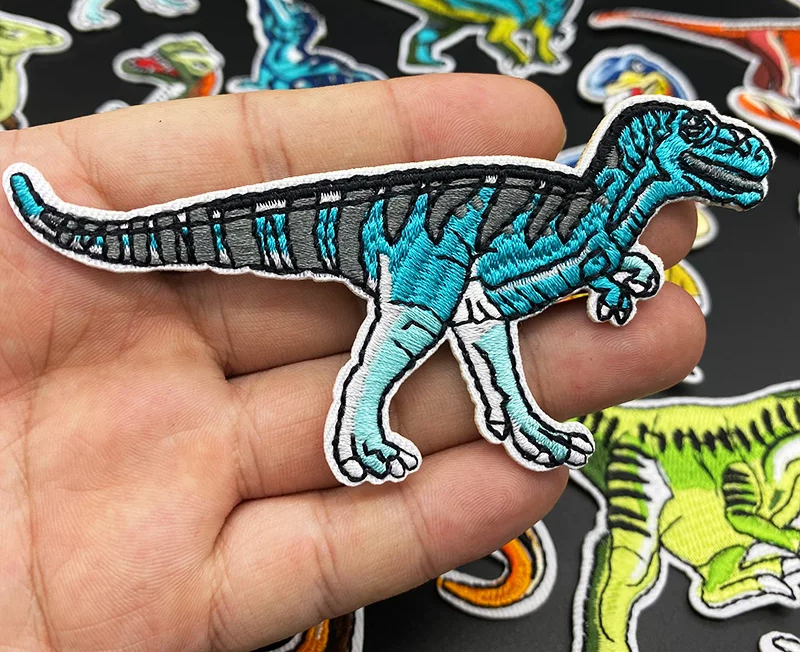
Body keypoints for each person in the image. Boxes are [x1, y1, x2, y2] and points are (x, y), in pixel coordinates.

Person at [0, 74, 702, 650]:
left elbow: (568, 258)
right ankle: (360, 423)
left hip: (479, 255)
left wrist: (615, 269)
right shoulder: (588, 214)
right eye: (701, 137)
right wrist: (613, 267)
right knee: (423, 316)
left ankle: (514, 418)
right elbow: (571, 252)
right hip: (425, 229)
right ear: (655, 149)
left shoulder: (596, 218)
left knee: (478, 311)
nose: (729, 150)